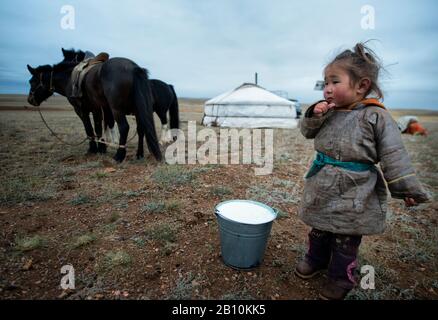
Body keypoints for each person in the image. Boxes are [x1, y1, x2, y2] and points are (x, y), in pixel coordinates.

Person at [295, 42, 430, 300]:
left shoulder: (376, 116)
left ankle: (339, 277)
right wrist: (314, 113)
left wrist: (406, 189)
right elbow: (307, 131)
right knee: (319, 226)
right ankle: (315, 260)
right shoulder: (329, 112)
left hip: (355, 188)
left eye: (334, 82)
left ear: (361, 85)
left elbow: (394, 155)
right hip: (322, 182)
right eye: (325, 83)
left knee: (346, 236)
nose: (327, 89)